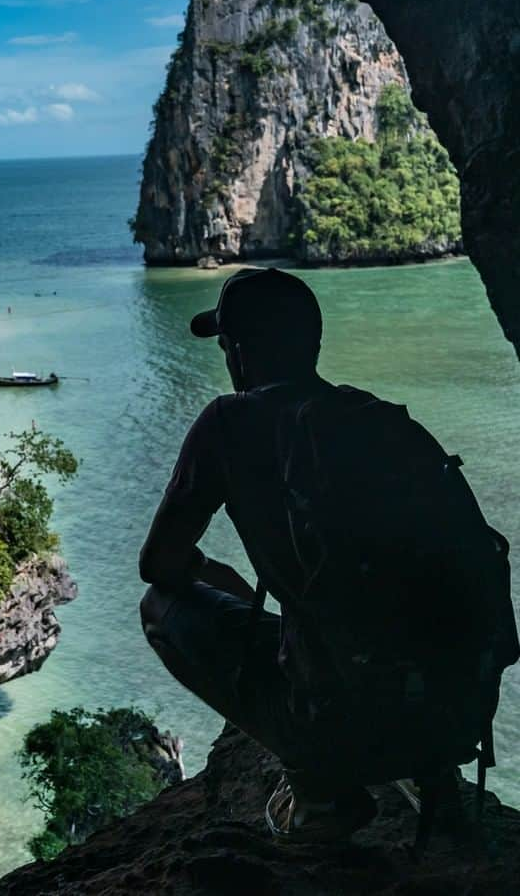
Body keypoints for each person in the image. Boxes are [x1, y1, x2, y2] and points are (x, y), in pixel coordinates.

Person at [139, 267, 516, 844]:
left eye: (224, 345)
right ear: (311, 342)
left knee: (158, 607)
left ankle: (318, 790)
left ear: (238, 351)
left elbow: (159, 565)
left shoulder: (227, 423)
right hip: (453, 717)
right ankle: (433, 779)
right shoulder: (379, 419)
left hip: (341, 725)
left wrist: (214, 574)